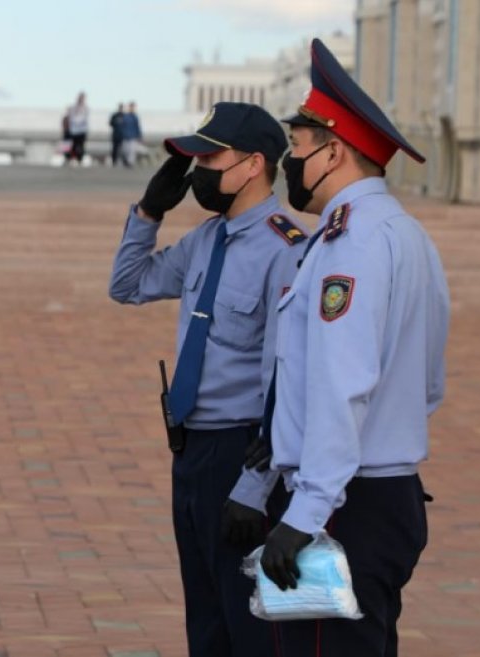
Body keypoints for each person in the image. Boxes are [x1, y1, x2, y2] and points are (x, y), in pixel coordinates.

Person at [224, 39, 450, 657]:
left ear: (335, 151)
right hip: (389, 492)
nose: (288, 164)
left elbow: (339, 384)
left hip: (342, 507)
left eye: (296, 150)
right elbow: (427, 384)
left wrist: (305, 513)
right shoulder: (407, 233)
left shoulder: (348, 246)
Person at [108, 102, 308, 657]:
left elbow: (287, 380)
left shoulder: (287, 250)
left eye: (209, 157)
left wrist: (255, 486)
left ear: (252, 165)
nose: (198, 172)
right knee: (206, 620)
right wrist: (149, 212)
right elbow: (127, 285)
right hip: (191, 452)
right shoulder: (205, 240)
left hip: (243, 454)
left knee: (252, 626)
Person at [66, 92, 88, 164]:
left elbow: (85, 119)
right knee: (73, 145)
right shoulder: (73, 107)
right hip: (74, 130)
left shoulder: (86, 108)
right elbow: (70, 118)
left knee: (81, 146)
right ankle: (70, 158)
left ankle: (80, 159)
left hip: (82, 130)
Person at [122, 101, 145, 167]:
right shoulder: (125, 116)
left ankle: (130, 162)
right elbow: (123, 126)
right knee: (126, 150)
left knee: (132, 150)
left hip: (133, 136)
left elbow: (137, 127)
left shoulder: (135, 117)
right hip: (126, 136)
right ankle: (127, 161)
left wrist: (139, 136)